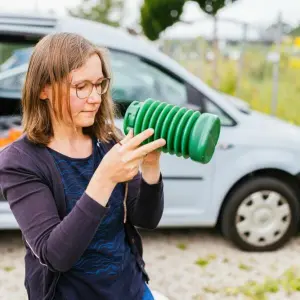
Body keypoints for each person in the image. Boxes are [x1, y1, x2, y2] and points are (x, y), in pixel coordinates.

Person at [0, 32, 166, 300]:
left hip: (131, 291)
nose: (96, 98)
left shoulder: (108, 140)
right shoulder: (20, 161)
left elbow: (146, 219)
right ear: (44, 89)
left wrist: (150, 169)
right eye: (81, 87)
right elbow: (55, 255)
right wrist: (104, 179)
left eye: (99, 84)